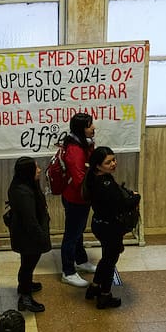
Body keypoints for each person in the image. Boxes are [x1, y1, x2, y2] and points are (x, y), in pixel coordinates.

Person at [84, 146, 140, 310]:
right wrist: (136, 197)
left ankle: (94, 287)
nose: (114, 163)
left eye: (114, 160)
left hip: (99, 224)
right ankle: (105, 295)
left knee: (106, 257)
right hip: (111, 228)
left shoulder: (93, 177)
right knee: (110, 262)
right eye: (108, 162)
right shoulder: (106, 184)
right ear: (98, 165)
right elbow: (122, 204)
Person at [7, 157, 51, 313]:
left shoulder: (22, 185)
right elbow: (30, 220)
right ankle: (25, 297)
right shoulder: (23, 193)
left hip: (24, 234)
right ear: (27, 172)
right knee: (28, 264)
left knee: (27, 263)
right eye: (36, 168)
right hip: (28, 237)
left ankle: (25, 285)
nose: (39, 170)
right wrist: (41, 237)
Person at [59, 112, 98, 287]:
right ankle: (68, 272)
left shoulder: (83, 144)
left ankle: (81, 260)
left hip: (80, 198)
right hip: (76, 198)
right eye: (90, 125)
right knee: (71, 235)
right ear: (81, 129)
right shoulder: (75, 150)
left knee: (78, 231)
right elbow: (79, 179)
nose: (93, 127)